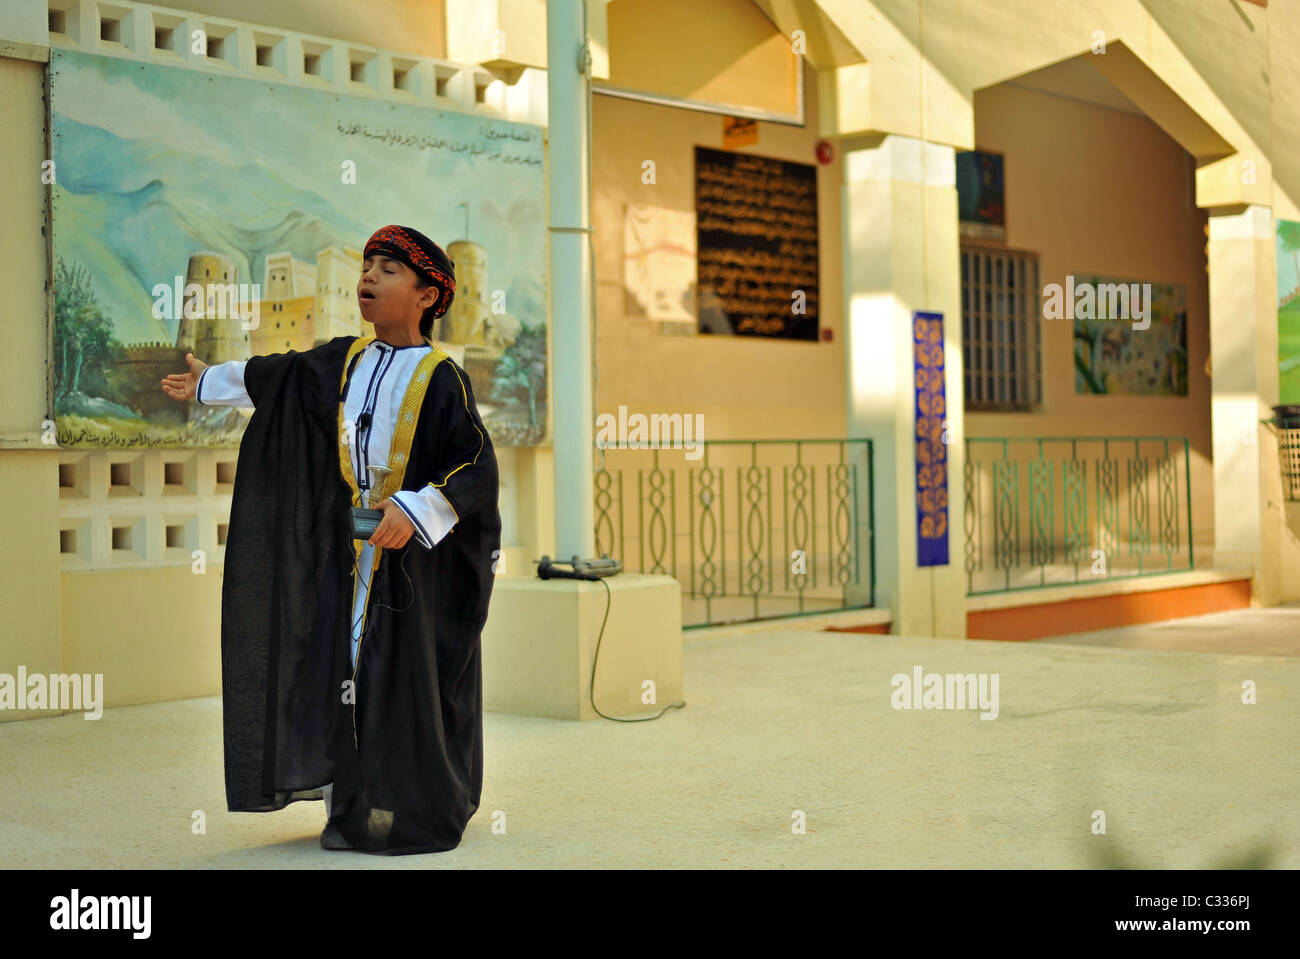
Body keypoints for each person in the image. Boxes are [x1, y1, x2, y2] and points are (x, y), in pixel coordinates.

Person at [161, 225, 501, 855]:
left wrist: (420, 507)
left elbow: (475, 463)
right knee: (341, 672)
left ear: (428, 295)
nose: (369, 277)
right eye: (367, 265)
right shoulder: (345, 359)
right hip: (343, 556)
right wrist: (211, 381)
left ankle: (418, 810)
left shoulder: (442, 377)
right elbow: (281, 378)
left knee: (396, 676)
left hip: (408, 564)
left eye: (388, 270)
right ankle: (351, 807)